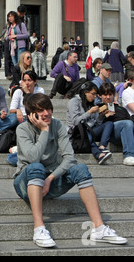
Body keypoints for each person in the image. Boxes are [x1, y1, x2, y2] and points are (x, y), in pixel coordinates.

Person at [13, 93, 127, 248]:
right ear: (31, 114)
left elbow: (69, 158)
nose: (46, 113)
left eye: (48, 108)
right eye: (41, 110)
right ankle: (39, 228)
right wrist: (45, 130)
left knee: (80, 169)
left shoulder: (58, 125)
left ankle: (99, 228)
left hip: (49, 182)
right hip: (26, 184)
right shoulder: (22, 129)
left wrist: (50, 178)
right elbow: (33, 158)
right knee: (36, 167)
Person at [67, 82, 114, 165]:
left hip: (91, 130)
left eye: (96, 94)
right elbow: (75, 121)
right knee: (87, 134)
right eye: (93, 94)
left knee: (109, 123)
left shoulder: (93, 104)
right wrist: (89, 112)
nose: (95, 97)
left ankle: (102, 146)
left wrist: (102, 116)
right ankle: (99, 155)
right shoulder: (74, 102)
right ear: (85, 92)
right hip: (77, 132)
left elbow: (97, 123)